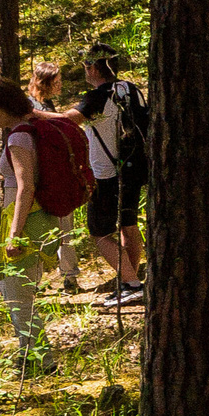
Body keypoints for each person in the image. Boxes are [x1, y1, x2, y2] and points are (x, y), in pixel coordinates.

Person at [0, 80, 84, 376]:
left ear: (4, 108)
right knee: (16, 288)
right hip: (38, 216)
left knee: (15, 291)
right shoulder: (32, 128)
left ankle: (39, 360)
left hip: (27, 218)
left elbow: (26, 187)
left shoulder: (18, 138)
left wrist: (14, 234)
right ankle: (33, 354)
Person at [76, 47, 148, 309]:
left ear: (94, 68)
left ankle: (131, 284)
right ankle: (131, 281)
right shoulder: (131, 89)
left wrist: (31, 115)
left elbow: (69, 119)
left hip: (106, 173)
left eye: (86, 65)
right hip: (133, 169)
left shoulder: (98, 95)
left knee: (100, 233)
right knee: (128, 224)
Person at [28, 61, 85, 292]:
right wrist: (61, 117)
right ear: (45, 82)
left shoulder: (46, 104)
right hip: (39, 176)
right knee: (38, 228)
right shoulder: (29, 106)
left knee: (65, 225)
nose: (61, 85)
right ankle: (34, 281)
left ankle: (70, 276)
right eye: (57, 82)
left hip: (57, 174)